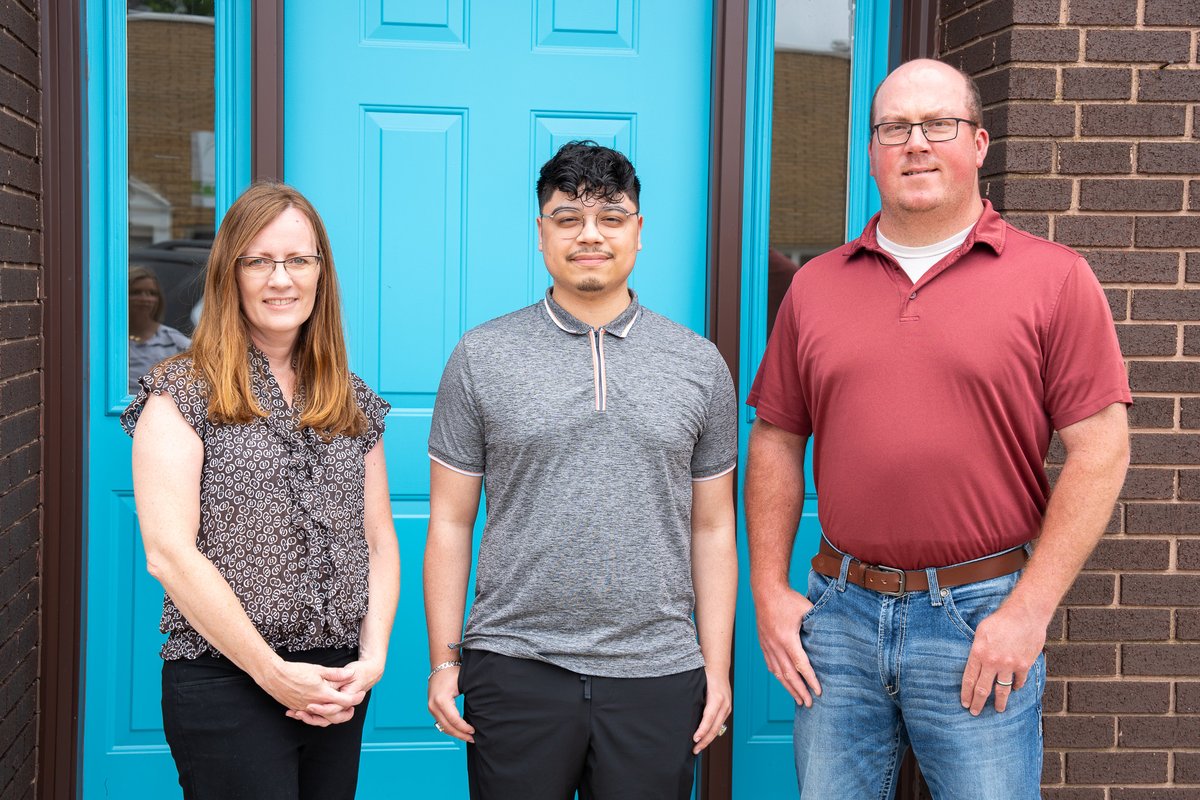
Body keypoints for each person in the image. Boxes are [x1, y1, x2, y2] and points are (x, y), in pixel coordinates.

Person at [745, 59, 1131, 799]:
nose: (915, 143)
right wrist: (767, 587)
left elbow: (1101, 450)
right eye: (894, 128)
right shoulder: (816, 286)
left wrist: (1030, 610)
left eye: (937, 125)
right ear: (872, 152)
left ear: (979, 143)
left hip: (981, 616)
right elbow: (775, 438)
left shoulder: (1053, 279)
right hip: (841, 616)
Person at [424, 141, 738, 799]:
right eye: (568, 218)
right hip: (515, 665)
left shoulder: (699, 364)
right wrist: (444, 661)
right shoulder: (482, 357)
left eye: (611, 218)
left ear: (638, 231)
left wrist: (717, 667)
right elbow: (451, 522)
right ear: (542, 234)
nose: (589, 235)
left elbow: (712, 528)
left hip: (657, 670)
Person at [122, 180, 400, 799]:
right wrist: (272, 673)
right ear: (231, 274)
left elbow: (378, 542)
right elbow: (169, 554)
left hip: (336, 683)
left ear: (321, 274)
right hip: (227, 680)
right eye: (260, 261)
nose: (282, 279)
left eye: (298, 260)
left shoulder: (349, 399)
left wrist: (372, 660)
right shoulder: (181, 391)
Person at [128, 264, 191, 393]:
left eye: (151, 293)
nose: (145, 299)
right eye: (136, 292)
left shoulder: (173, 340)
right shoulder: (109, 342)